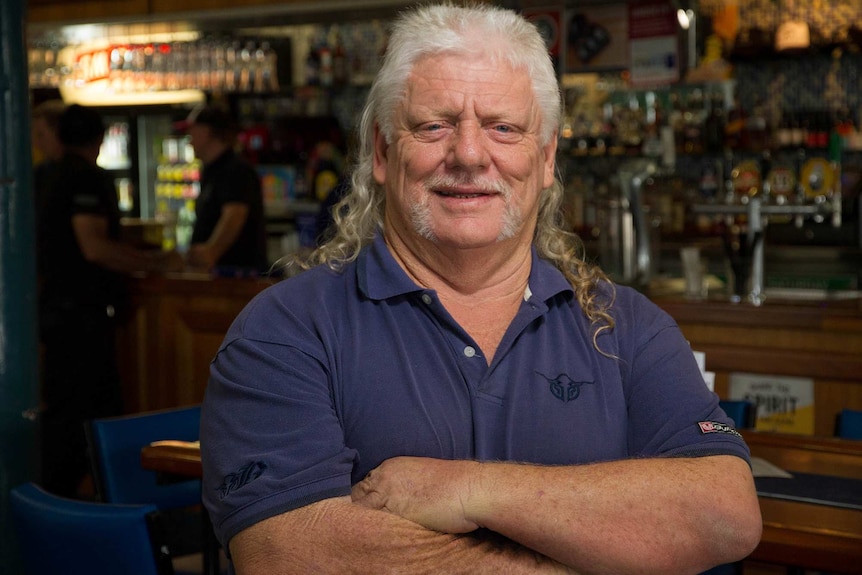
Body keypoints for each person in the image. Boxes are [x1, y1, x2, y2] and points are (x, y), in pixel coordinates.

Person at [200, 4, 762, 574]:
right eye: (433, 125)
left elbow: (725, 514)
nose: (469, 155)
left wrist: (468, 488)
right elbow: (289, 552)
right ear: (382, 151)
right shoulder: (284, 330)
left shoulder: (626, 327)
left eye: (503, 128)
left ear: (545, 159)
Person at [37, 104, 183, 498]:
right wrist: (153, 261)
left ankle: (63, 508)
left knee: (68, 416)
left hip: (57, 315)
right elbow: (93, 247)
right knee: (84, 420)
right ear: (100, 139)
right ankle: (86, 508)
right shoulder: (85, 178)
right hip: (81, 321)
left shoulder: (49, 176)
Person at [186, 104, 267, 274]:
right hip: (221, 273)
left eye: (192, 131)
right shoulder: (213, 170)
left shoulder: (235, 170)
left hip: (235, 276)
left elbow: (235, 214)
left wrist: (211, 252)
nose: (189, 139)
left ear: (206, 132)